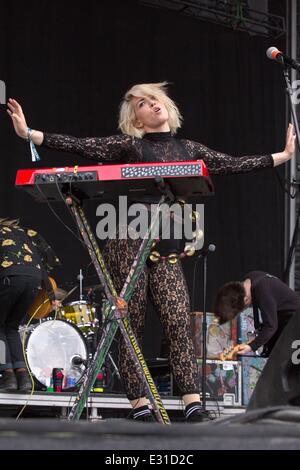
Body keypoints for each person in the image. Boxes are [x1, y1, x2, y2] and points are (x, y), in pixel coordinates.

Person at [7, 82, 295, 421]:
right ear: (138, 119)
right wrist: (30, 134)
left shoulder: (188, 147)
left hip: (166, 247)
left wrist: (284, 156)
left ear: (166, 106)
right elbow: (85, 146)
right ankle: (139, 404)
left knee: (177, 322)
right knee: (131, 322)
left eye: (155, 99)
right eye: (143, 103)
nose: (153, 105)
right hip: (128, 240)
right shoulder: (131, 145)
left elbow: (232, 163)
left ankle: (191, 401)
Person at [0, 218, 60, 391]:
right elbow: (47, 261)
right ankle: (23, 377)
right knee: (11, 327)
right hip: (35, 281)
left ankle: (8, 376)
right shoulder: (25, 233)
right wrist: (49, 293)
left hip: (10, 278)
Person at [214, 271, 300, 357]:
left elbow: (271, 326)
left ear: (245, 300)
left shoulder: (262, 291)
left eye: (243, 308)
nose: (245, 309)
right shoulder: (250, 279)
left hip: (295, 324)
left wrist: (251, 346)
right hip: (286, 321)